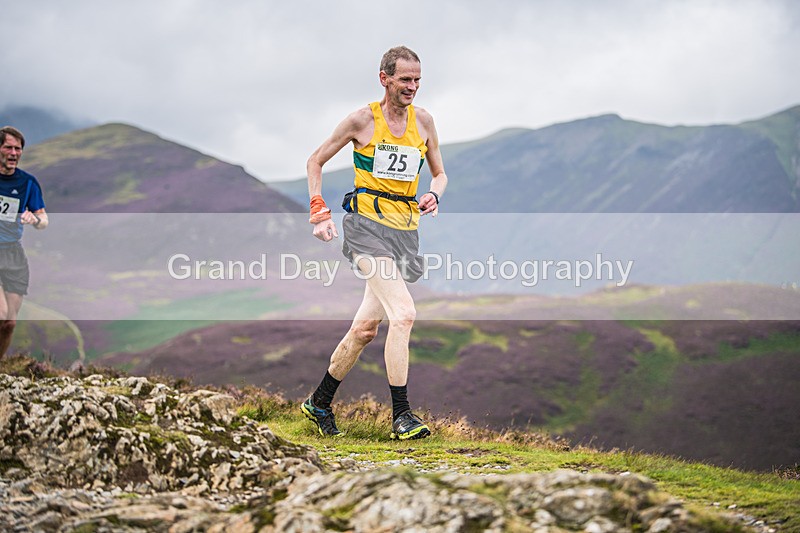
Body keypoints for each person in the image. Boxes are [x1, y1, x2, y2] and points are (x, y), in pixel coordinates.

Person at [302, 46, 447, 440]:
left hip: (404, 232)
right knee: (404, 314)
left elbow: (439, 174)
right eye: (405, 79)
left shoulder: (426, 122)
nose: (412, 87)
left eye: (418, 80)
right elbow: (315, 160)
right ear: (384, 78)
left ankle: (319, 402)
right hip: (366, 230)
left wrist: (435, 193)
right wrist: (318, 209)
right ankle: (402, 416)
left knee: (365, 329)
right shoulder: (361, 120)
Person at [0, 126, 48, 357]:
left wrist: (34, 219)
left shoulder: (28, 183)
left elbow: (44, 220)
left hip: (13, 253)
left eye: (18, 149)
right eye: (8, 147)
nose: (14, 153)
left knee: (9, 323)